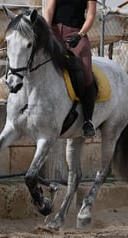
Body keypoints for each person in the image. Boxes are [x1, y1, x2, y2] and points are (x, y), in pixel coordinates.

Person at [44, 0, 97, 137]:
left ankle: (87, 120)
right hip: (53, 31)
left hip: (76, 33)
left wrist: (80, 35)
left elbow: (91, 16)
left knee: (86, 73)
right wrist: (47, 30)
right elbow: (49, 9)